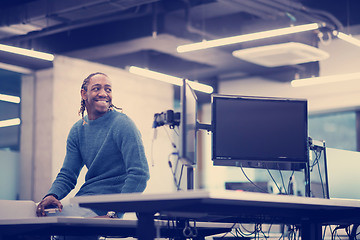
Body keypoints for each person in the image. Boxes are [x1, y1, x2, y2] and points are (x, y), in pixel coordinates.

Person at [36, 72, 150, 219]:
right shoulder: (77, 130)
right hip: (84, 201)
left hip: (107, 206)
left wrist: (115, 213)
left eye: (108, 89)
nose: (103, 93)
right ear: (84, 94)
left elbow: (139, 173)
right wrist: (52, 194)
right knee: (36, 218)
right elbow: (68, 174)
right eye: (97, 88)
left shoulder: (123, 124)